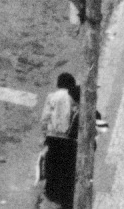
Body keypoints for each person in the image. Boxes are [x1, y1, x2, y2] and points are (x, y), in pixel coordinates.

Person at [39, 73, 79, 207]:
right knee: (65, 167)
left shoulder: (51, 97)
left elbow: (45, 118)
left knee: (52, 164)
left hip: (52, 136)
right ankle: (64, 196)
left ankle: (51, 192)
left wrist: (44, 136)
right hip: (67, 139)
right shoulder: (72, 97)